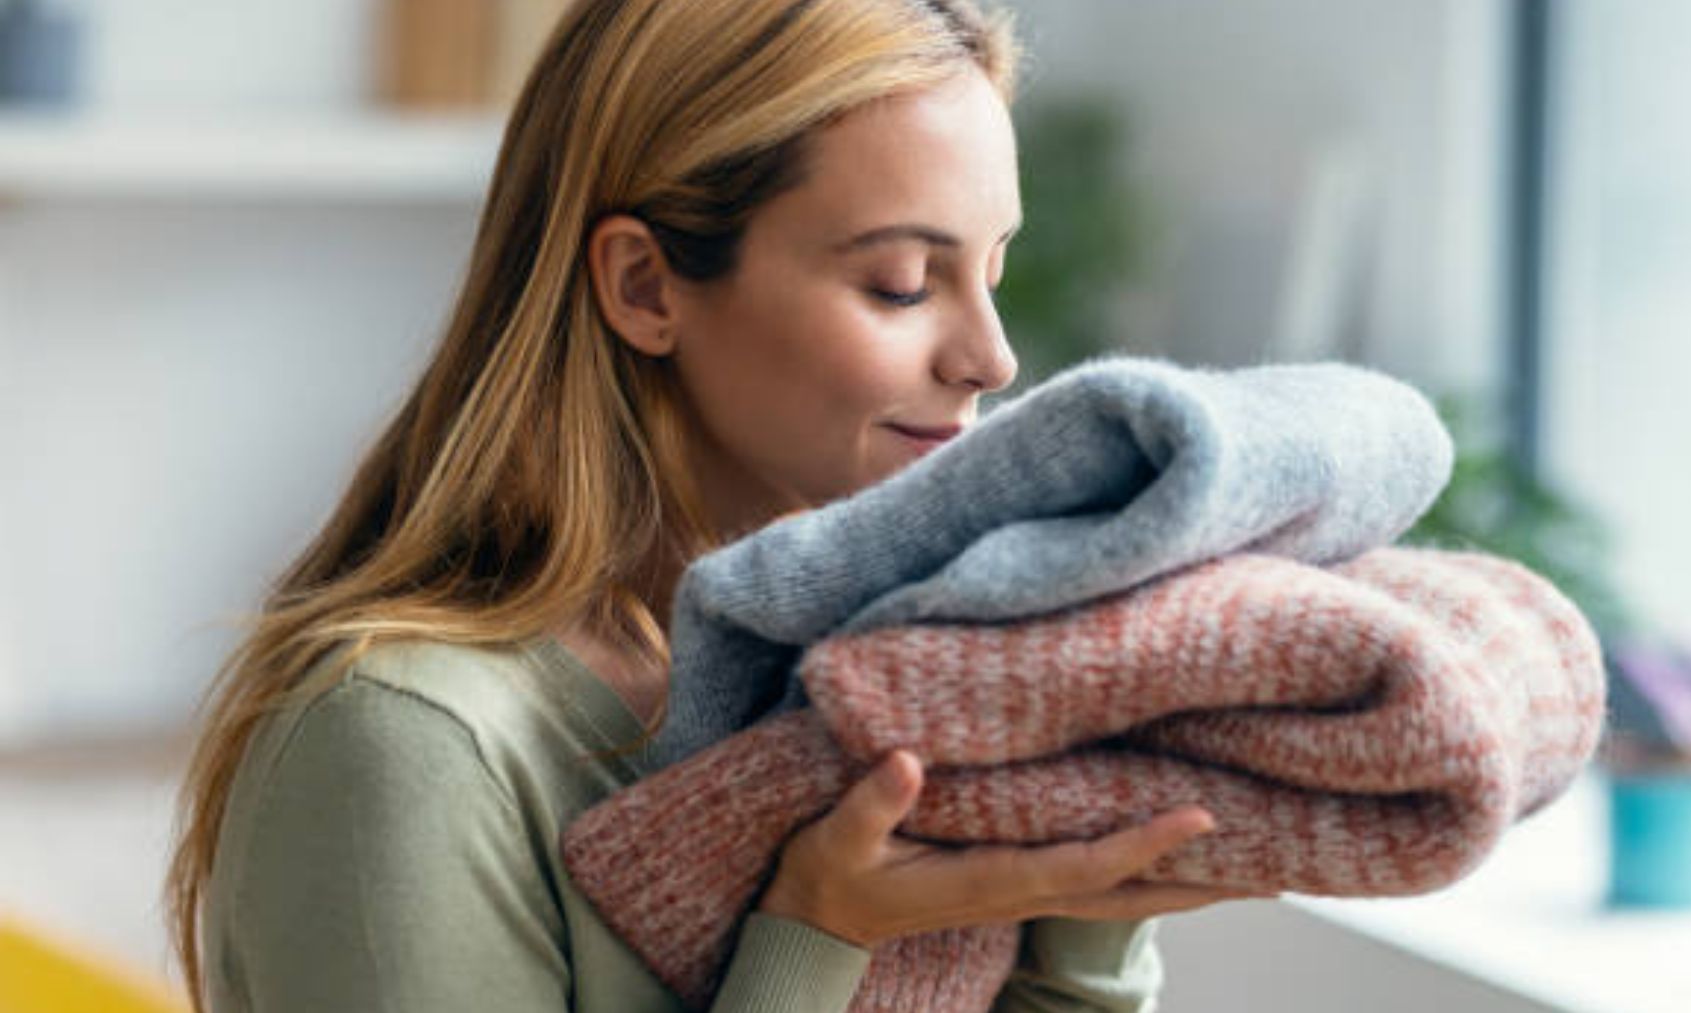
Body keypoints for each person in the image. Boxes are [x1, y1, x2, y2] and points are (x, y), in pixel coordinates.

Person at [165, 1, 1268, 1009]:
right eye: (900, 282)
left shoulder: (878, 678)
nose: (992, 355)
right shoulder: (403, 748)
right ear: (645, 286)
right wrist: (811, 935)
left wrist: (1086, 908)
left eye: (993, 269)